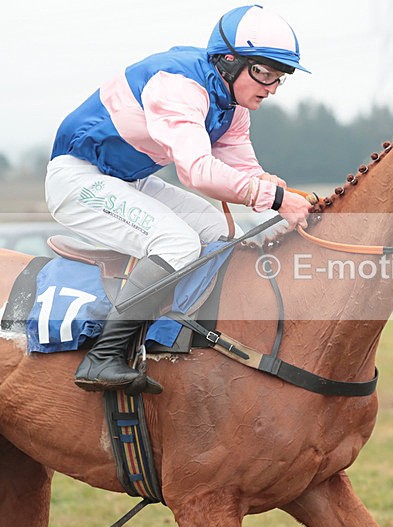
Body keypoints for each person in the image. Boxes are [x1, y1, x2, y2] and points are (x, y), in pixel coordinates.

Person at [45, 5, 312, 394]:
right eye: (264, 73)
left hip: (127, 181)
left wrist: (273, 189)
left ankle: (188, 334)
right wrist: (274, 198)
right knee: (177, 242)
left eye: (279, 77)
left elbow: (243, 169)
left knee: (217, 227)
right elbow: (199, 173)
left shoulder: (231, 105)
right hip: (77, 179)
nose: (271, 87)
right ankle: (104, 357)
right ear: (228, 61)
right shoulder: (179, 85)